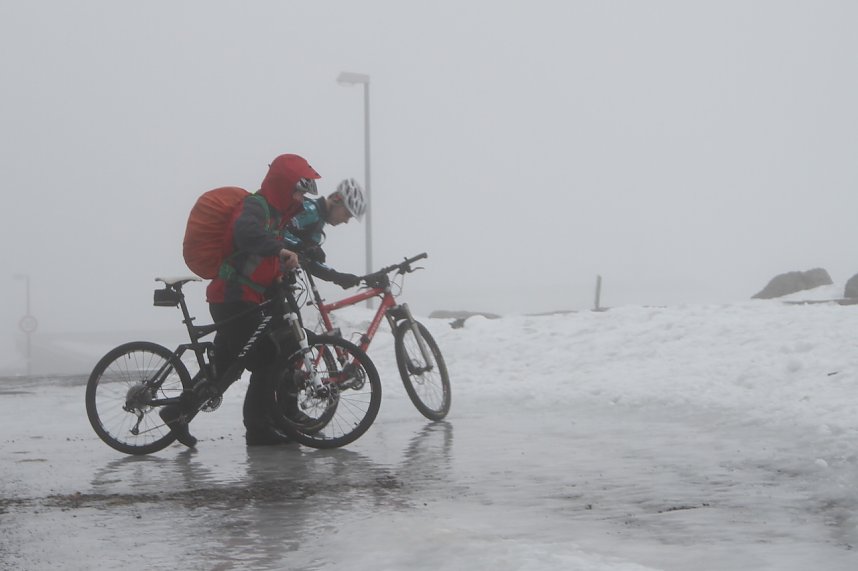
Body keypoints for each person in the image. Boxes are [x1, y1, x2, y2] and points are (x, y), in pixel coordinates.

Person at [161, 153, 324, 447]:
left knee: (227, 366)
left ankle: (177, 412)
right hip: (233, 296)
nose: (301, 197)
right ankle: (258, 430)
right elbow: (246, 235)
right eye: (299, 190)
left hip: (249, 297)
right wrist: (280, 251)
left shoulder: (276, 216)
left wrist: (286, 263)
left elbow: (261, 254)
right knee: (265, 358)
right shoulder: (256, 207)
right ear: (285, 185)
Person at [281, 177, 368, 289]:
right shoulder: (310, 211)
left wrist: (336, 276)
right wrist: (302, 246)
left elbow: (311, 263)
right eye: (347, 214)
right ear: (336, 199)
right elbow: (279, 231)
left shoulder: (318, 222)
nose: (346, 221)